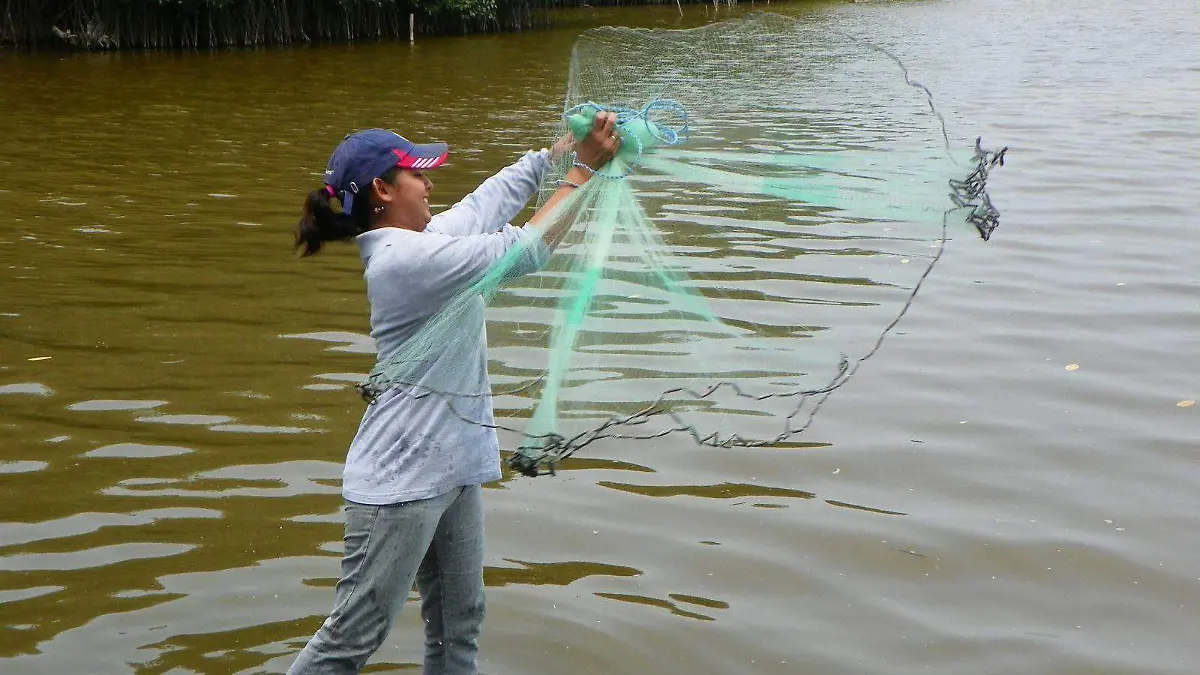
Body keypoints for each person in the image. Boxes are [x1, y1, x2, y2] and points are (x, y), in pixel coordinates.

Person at [287, 111, 620, 675]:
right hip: (400, 482)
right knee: (351, 639)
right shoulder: (404, 261)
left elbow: (484, 204)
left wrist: (550, 158)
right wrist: (582, 171)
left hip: (453, 469)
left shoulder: (424, 240)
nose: (430, 183)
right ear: (383, 190)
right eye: (418, 175)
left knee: (459, 627)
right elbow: (527, 251)